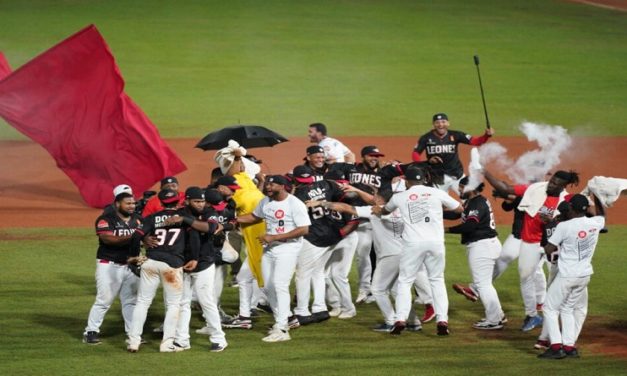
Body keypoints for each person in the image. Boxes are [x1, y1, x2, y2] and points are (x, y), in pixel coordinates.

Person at [485, 169, 580, 332]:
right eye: (552, 181)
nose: (551, 184)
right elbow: (506, 189)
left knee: (559, 279)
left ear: (563, 187)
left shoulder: (565, 201)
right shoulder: (536, 188)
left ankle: (562, 312)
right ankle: (531, 315)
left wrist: (552, 221)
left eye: (556, 184)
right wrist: (485, 172)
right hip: (530, 242)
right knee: (525, 276)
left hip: (554, 245)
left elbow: (575, 223)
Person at [373, 166, 462, 336]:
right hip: (436, 243)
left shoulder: (400, 197)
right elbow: (459, 209)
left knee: (405, 281)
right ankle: (442, 319)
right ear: (423, 179)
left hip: (413, 244)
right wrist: (434, 209)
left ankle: (400, 319)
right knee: (437, 280)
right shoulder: (436, 193)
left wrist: (380, 209)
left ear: (407, 181)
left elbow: (385, 210)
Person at [237, 175, 311, 342]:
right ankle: (285, 319)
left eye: (272, 184)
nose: (268, 187)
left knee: (280, 285)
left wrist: (275, 237)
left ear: (283, 186)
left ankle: (282, 328)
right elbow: (254, 216)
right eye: (268, 183)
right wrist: (234, 220)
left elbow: (304, 229)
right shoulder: (266, 202)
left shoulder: (294, 204)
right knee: (267, 287)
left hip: (288, 248)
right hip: (269, 249)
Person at [126, 189, 200, 353]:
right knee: (174, 305)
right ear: (178, 201)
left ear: (160, 202)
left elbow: (135, 236)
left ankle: (133, 341)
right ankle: (166, 344)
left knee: (143, 302)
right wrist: (194, 257)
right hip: (172, 266)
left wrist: (133, 256)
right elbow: (194, 239)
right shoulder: (183, 219)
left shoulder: (151, 218)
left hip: (150, 263)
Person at [538, 194, 605, 359]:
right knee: (567, 309)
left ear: (571, 208)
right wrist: (597, 197)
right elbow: (602, 215)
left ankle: (555, 347)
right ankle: (569, 347)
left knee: (549, 308)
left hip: (567, 275)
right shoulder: (595, 222)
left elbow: (549, 249)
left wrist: (547, 234)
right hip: (584, 275)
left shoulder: (564, 226)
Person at [83, 192, 142, 345]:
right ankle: (91, 331)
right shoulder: (105, 219)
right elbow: (108, 238)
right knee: (104, 300)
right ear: (117, 204)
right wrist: (135, 236)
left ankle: (133, 334)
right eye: (127, 203)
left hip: (130, 266)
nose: (131, 206)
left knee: (130, 301)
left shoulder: (138, 220)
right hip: (109, 265)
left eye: (133, 203)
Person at [173, 187, 228, 352]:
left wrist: (185, 220)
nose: (200, 204)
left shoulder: (210, 212)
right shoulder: (180, 212)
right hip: (183, 263)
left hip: (204, 263)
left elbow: (210, 228)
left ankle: (219, 338)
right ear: (188, 200)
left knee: (206, 301)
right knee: (183, 302)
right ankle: (182, 339)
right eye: (197, 201)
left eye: (202, 201)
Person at [446, 177, 505, 330]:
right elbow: (458, 214)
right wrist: (436, 211)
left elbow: (470, 226)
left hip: (482, 246)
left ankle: (493, 320)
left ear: (471, 188)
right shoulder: (473, 201)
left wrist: (446, 230)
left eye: (461, 187)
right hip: (488, 244)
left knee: (483, 285)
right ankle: (498, 316)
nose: (459, 190)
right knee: (485, 284)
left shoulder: (477, 203)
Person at [412, 113, 493, 192]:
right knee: (439, 203)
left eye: (443, 122)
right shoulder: (426, 138)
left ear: (448, 123)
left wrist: (486, 135)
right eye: (437, 122)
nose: (440, 125)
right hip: (437, 178)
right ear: (433, 124)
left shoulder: (456, 135)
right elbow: (415, 153)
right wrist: (423, 165)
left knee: (469, 197)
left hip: (457, 175)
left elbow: (475, 142)